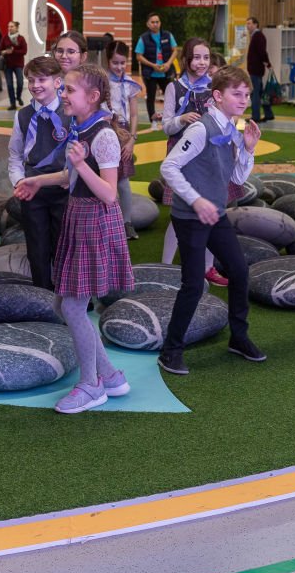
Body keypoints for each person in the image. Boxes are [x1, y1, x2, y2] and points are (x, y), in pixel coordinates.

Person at [158, 64, 264, 373]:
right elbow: (168, 167)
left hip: (215, 213)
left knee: (239, 270)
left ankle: (238, 337)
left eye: (247, 94)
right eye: (237, 94)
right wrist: (195, 199)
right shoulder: (201, 129)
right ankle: (170, 351)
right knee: (193, 284)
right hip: (190, 217)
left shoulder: (232, 129)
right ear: (217, 96)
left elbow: (236, 177)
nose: (244, 100)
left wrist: (248, 150)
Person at [50, 64, 135, 413]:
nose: (63, 94)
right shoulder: (80, 127)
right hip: (79, 216)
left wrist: (82, 165)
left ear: (93, 96)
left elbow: (110, 194)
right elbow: (71, 176)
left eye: (69, 89)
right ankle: (110, 376)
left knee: (72, 306)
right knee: (63, 305)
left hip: (95, 221)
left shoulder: (103, 135)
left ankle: (91, 385)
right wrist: (36, 181)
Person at [160, 38, 222, 280]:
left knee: (211, 210)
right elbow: (166, 126)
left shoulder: (214, 86)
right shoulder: (174, 87)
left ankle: (208, 267)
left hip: (208, 155)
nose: (202, 62)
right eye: (196, 57)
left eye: (206, 57)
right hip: (181, 155)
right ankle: (165, 266)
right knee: (179, 212)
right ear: (186, 59)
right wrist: (181, 119)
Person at [9, 55, 71, 291]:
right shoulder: (23, 115)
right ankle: (42, 295)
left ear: (57, 82)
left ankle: (67, 295)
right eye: (31, 80)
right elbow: (15, 155)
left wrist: (71, 177)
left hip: (63, 188)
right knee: (37, 246)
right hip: (32, 190)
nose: (35, 85)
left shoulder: (70, 112)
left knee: (64, 245)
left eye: (42, 79)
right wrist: (19, 181)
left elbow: (80, 151)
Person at [107, 43, 143, 239]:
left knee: (123, 181)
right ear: (107, 60)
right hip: (105, 129)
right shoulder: (102, 81)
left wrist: (131, 140)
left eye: (123, 63)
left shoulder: (129, 84)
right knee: (104, 177)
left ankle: (126, 223)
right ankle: (106, 223)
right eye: (115, 62)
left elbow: (135, 115)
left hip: (124, 133)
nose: (119, 67)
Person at [135, 14, 177, 116]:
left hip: (166, 72)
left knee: (170, 96)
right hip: (151, 73)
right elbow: (138, 56)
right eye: (152, 22)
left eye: (157, 22)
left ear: (160, 23)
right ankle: (152, 119)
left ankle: (170, 116)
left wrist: (168, 64)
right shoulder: (143, 38)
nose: (155, 24)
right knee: (151, 97)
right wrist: (152, 65)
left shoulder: (168, 35)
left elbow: (175, 50)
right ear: (148, 24)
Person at [245, 17, 275, 123]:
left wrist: (268, 63)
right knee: (261, 93)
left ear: (256, 24)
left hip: (256, 70)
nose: (248, 26)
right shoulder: (255, 36)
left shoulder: (258, 36)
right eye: (247, 24)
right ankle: (268, 114)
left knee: (255, 94)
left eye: (249, 23)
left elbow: (262, 52)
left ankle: (256, 116)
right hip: (256, 69)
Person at [2, 20, 28, 108]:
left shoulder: (21, 39)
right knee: (9, 85)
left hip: (18, 64)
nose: (9, 28)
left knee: (20, 83)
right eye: (9, 26)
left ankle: (19, 97)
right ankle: (12, 103)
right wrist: (5, 52)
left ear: (16, 28)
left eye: (12, 26)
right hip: (7, 64)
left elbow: (24, 51)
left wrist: (14, 51)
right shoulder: (5, 38)